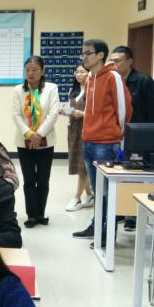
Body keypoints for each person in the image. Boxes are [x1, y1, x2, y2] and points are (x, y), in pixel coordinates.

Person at [72, 39, 132, 247]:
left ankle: (108, 233)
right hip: (89, 141)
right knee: (97, 191)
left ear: (100, 55)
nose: (84, 57)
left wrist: (118, 136)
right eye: (83, 54)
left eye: (88, 53)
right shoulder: (90, 77)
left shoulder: (113, 76)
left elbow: (124, 109)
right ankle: (97, 226)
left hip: (107, 143)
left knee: (107, 191)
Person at [110, 45, 154, 231]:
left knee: (134, 177)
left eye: (118, 60)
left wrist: (152, 142)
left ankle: (132, 215)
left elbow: (153, 114)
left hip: (137, 139)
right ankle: (118, 212)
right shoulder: (111, 81)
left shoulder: (143, 81)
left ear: (130, 61)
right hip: (115, 136)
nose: (114, 64)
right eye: (112, 60)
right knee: (118, 177)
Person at [12, 55, 60, 228]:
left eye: (34, 70)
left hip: (45, 142)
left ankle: (41, 213)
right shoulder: (18, 90)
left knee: (43, 179)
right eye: (27, 70)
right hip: (24, 141)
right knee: (29, 180)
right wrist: (29, 134)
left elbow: (53, 114)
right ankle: (31, 215)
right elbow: (16, 115)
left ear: (42, 72)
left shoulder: (51, 88)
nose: (30, 73)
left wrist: (38, 134)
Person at [59, 64, 94, 212]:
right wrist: (64, 111)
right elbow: (71, 109)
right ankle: (90, 195)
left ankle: (77, 198)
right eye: (77, 72)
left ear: (89, 73)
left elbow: (96, 112)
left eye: (82, 72)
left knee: (83, 165)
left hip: (87, 130)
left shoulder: (93, 90)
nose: (79, 74)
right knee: (79, 164)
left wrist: (83, 114)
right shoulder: (73, 90)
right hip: (74, 130)